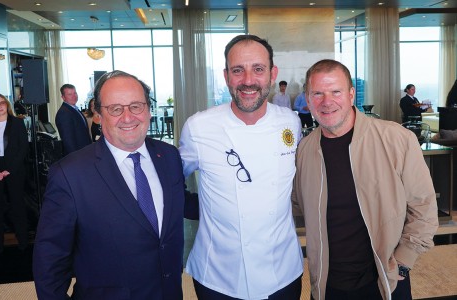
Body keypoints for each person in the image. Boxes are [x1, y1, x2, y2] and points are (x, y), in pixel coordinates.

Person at [33, 71, 198, 299]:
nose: (128, 117)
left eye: (136, 106)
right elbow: (50, 258)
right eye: (115, 109)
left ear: (148, 110)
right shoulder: (70, 174)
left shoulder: (168, 156)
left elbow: (180, 201)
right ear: (99, 115)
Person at [293, 59, 439, 300]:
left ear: (351, 94)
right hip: (327, 284)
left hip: (385, 281)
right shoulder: (305, 150)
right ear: (308, 100)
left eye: (335, 92)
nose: (326, 102)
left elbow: (424, 206)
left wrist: (403, 261)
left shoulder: (396, 139)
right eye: (317, 93)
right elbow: (297, 203)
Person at [179, 34, 304, 300]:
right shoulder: (199, 127)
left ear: (272, 74)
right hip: (217, 275)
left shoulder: (291, 123)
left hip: (282, 271)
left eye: (258, 69)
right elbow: (169, 181)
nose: (248, 80)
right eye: (238, 70)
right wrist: (199, 206)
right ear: (226, 76)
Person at [0, 94, 29, 255]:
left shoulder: (17, 123)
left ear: (7, 104)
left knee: (17, 206)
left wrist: (9, 169)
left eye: (2, 103)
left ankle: (23, 242)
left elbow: (23, 148)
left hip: (14, 169)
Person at [55, 84, 92, 155]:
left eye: (75, 93)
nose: (74, 96)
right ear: (63, 97)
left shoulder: (74, 109)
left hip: (85, 153)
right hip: (78, 157)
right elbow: (68, 141)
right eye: (70, 94)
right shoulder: (64, 113)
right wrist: (76, 159)